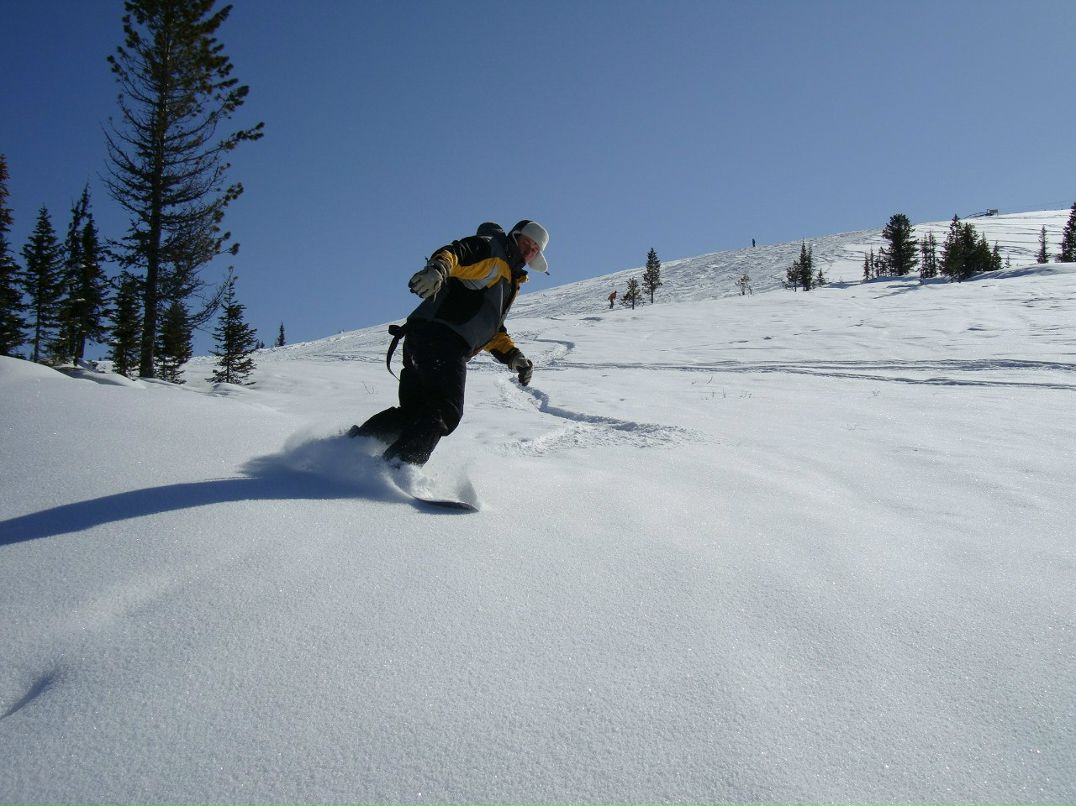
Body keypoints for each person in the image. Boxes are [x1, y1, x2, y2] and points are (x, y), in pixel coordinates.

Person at [349, 220, 550, 467]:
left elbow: (490, 328)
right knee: (445, 409)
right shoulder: (492, 251)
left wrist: (513, 356)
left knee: (415, 413)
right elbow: (457, 252)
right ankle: (398, 467)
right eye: (527, 243)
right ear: (515, 236)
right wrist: (438, 269)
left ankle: (349, 448)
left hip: (424, 337)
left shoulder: (507, 276)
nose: (528, 251)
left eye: (534, 250)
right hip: (442, 340)